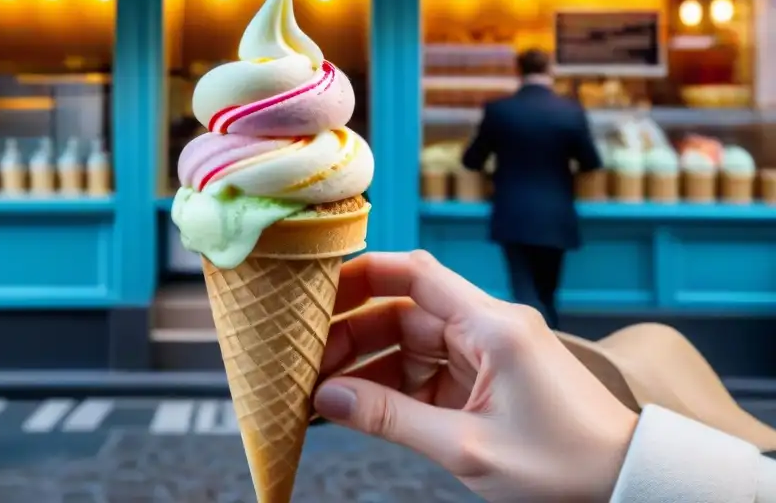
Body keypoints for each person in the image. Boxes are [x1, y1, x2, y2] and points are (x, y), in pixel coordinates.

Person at [313, 250, 776, 503]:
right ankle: (546, 336)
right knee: (539, 296)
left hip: (511, 222)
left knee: (524, 293)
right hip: (556, 225)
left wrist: (627, 465)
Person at [461, 48, 601, 329]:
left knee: (524, 293)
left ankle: (540, 349)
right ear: (550, 70)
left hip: (513, 212)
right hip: (556, 213)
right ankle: (552, 344)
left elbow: (471, 160)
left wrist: (496, 173)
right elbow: (591, 162)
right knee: (547, 293)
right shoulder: (571, 110)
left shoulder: (499, 110)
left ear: (518, 70)